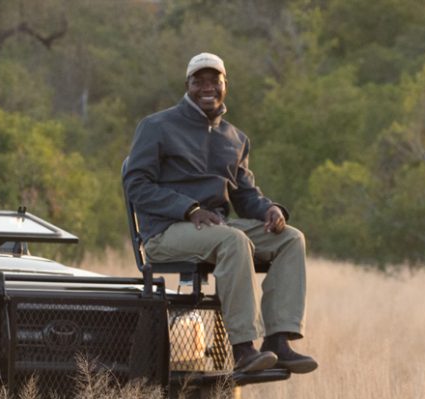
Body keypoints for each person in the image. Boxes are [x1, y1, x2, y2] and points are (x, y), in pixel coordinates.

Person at [123, 52, 316, 375]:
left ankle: (277, 342)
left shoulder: (235, 138)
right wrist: (189, 209)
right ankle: (243, 349)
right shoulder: (156, 126)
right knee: (233, 240)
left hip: (217, 227)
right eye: (199, 81)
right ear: (188, 85)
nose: (207, 87)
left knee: (291, 239)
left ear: (225, 85)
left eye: (215, 81)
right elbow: (136, 186)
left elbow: (245, 195)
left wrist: (270, 209)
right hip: (166, 232)